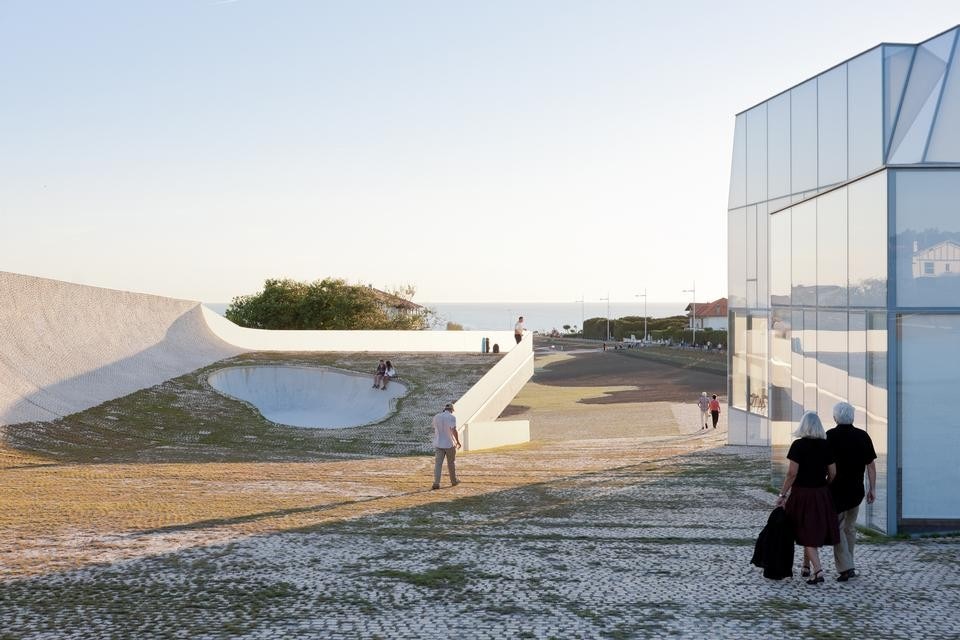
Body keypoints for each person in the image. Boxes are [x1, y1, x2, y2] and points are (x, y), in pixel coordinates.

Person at [775, 411, 840, 585]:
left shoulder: (798, 446)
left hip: (802, 494)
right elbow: (833, 472)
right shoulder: (825, 446)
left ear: (803, 425)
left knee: (805, 530)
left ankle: (818, 571)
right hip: (820, 493)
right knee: (810, 529)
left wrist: (782, 494)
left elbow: (791, 473)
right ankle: (805, 566)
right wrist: (825, 484)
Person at [827, 401, 877, 582]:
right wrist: (872, 488)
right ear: (852, 417)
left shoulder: (830, 436)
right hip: (856, 490)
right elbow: (870, 465)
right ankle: (849, 563)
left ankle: (846, 567)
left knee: (838, 527)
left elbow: (827, 466)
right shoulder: (862, 436)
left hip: (836, 490)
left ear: (835, 417)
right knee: (850, 527)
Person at [431, 402, 461, 490]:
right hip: (449, 444)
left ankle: (436, 483)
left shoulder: (437, 416)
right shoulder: (452, 417)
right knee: (451, 463)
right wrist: (458, 441)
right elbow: (454, 430)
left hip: (438, 443)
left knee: (438, 464)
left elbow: (435, 427)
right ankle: (453, 481)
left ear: (444, 409)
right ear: (451, 410)